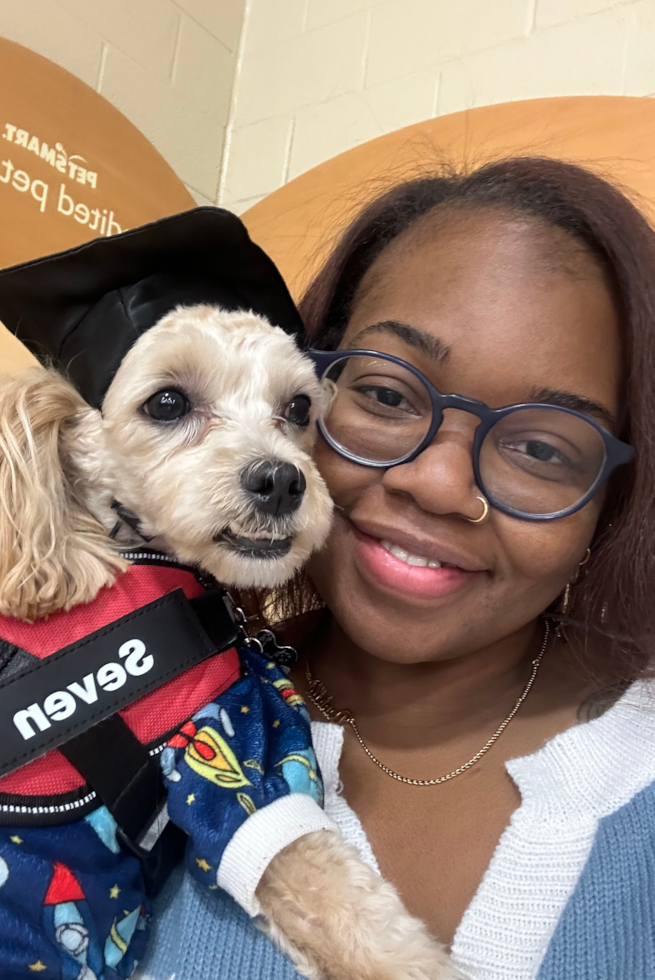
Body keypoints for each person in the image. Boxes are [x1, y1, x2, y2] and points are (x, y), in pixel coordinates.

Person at [137, 157, 655, 980]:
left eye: (541, 447)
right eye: (384, 395)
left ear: (611, 504)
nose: (440, 482)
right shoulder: (139, 722)